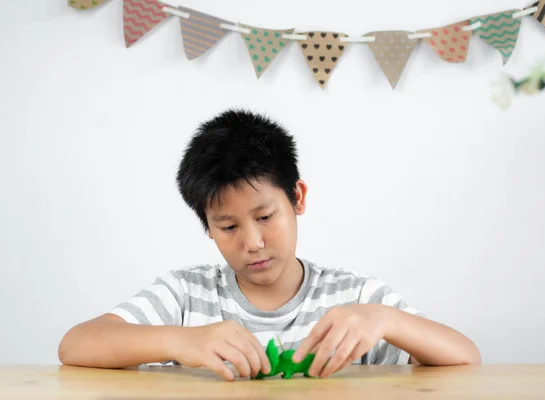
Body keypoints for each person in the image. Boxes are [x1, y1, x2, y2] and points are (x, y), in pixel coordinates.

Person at [58, 108, 481, 381]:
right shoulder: (187, 295)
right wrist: (182, 343)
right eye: (227, 226)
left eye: (265, 217)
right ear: (207, 226)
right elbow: (76, 344)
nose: (253, 242)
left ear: (297, 198)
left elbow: (465, 357)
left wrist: (387, 320)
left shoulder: (352, 298)